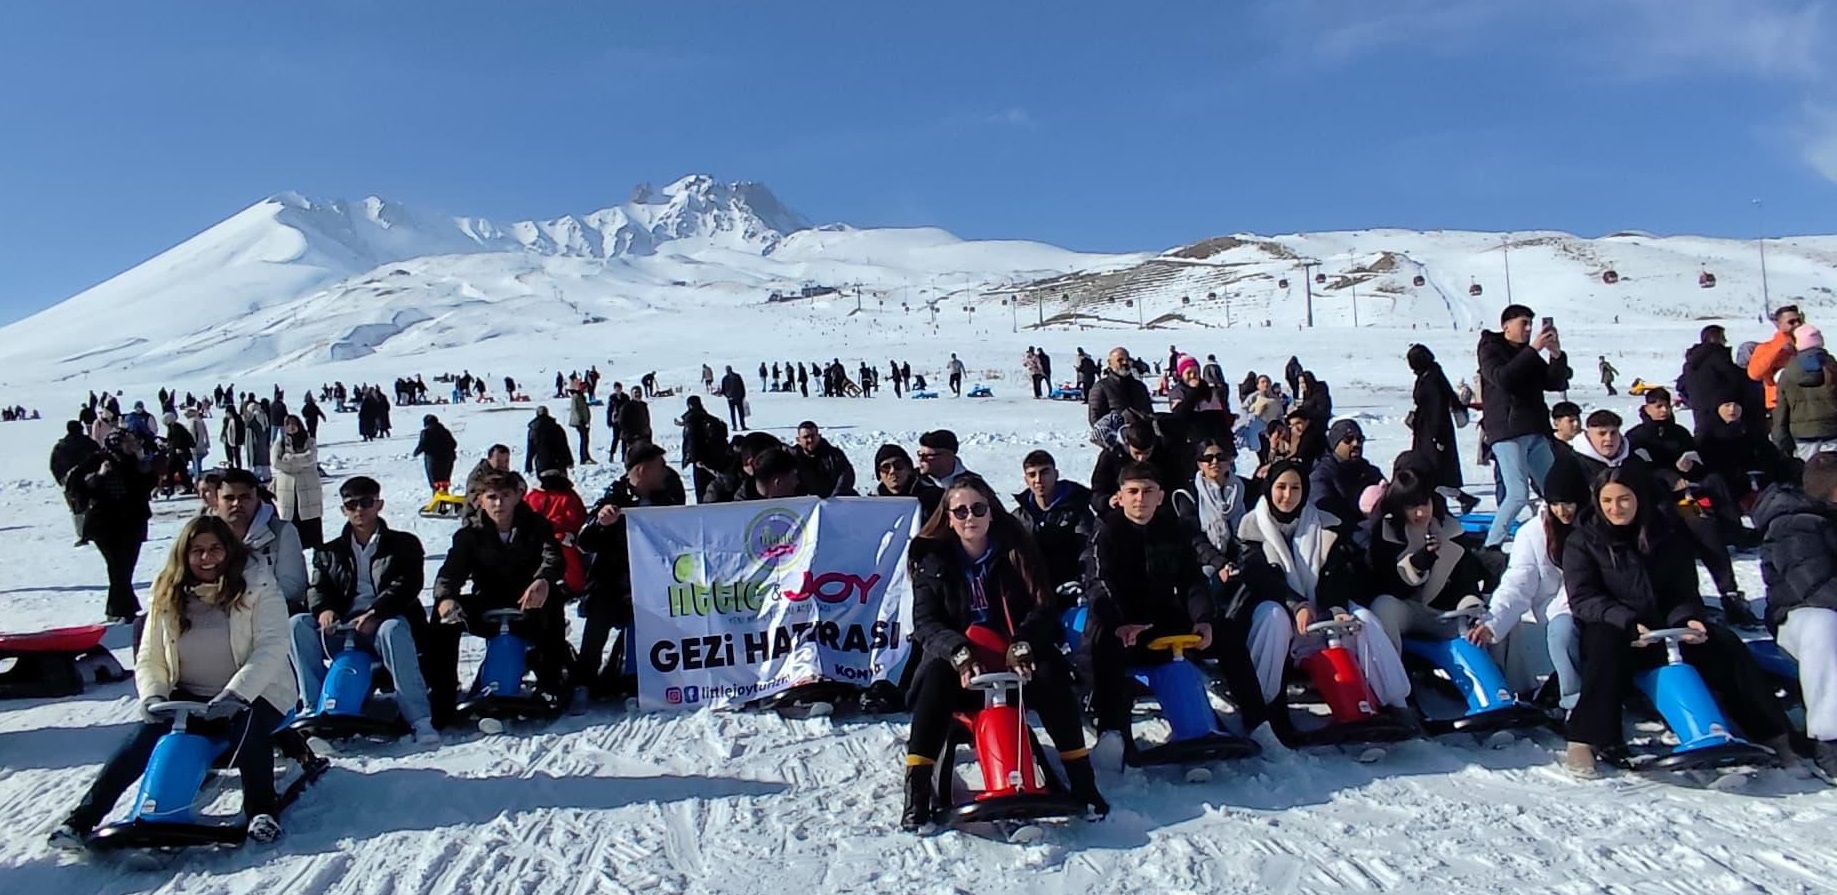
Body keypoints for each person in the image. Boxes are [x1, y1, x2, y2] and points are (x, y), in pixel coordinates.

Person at [48, 516, 295, 848]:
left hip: (256, 693)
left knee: (246, 723)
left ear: (229, 551)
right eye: (197, 551)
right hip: (187, 698)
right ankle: (81, 820)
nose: (206, 558)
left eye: (215, 549)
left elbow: (272, 646)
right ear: (185, 554)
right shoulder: (169, 591)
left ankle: (261, 811)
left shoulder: (258, 586)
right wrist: (153, 695)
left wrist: (237, 692)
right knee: (142, 737)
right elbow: (151, 654)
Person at [1561, 466, 1802, 778]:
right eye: (1607, 501)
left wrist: (1688, 617)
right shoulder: (1584, 540)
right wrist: (1628, 621)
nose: (1615, 508)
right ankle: (1587, 738)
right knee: (1603, 650)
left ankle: (1774, 734)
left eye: (1623, 499)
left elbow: (1683, 588)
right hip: (1618, 626)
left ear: (1639, 499)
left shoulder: (1666, 533)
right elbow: (1583, 597)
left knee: (1726, 645)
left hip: (1668, 626)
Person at [904, 476, 1106, 829]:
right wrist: (958, 652)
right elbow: (926, 622)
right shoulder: (933, 562)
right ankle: (917, 791)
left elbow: (1043, 608)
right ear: (948, 518)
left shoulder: (1017, 552)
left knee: (1052, 676)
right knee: (935, 680)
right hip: (960, 661)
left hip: (1015, 656)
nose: (971, 517)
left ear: (991, 512)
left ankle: (1083, 781)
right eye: (961, 511)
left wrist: (1024, 642)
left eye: (978, 508)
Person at [1084, 463, 1268, 764]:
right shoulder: (1106, 531)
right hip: (1119, 622)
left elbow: (1191, 580)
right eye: (1132, 492)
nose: (1140, 499)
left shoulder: (1172, 529)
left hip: (1161, 618)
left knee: (1228, 634)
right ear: (1121, 495)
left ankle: (1258, 721)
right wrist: (1120, 623)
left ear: (1160, 496)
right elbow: (1098, 582)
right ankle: (1112, 733)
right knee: (1104, 644)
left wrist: (1203, 620)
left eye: (1147, 492)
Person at [1235, 460, 1411, 727]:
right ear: (1269, 489)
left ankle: (1392, 701)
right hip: (1273, 605)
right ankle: (1264, 702)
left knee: (1364, 620)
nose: (1288, 495)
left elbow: (1335, 572)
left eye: (1295, 488)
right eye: (1281, 487)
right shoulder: (1251, 529)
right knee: (1274, 618)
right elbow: (1261, 577)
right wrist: (1297, 605)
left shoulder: (1324, 524)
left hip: (1320, 605)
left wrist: (1334, 608)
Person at [291, 477, 439, 743]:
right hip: (342, 627)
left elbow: (407, 585)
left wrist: (377, 613)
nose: (359, 510)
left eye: (366, 503)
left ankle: (419, 718)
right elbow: (318, 586)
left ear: (378, 504)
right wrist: (324, 609)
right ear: (343, 510)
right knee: (298, 625)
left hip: (383, 624)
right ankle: (315, 705)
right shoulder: (328, 551)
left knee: (393, 628)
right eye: (351, 505)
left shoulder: (403, 544)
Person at [427, 471, 570, 719]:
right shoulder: (470, 535)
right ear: (480, 499)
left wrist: (543, 579)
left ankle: (550, 683)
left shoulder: (537, 525)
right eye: (491, 497)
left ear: (517, 496)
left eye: (505, 496)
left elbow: (553, 558)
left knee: (553, 599)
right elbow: (451, 571)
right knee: (443, 619)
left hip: (530, 601)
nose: (498, 503)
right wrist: (446, 597)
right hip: (488, 602)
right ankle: (442, 691)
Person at [576, 442, 686, 701]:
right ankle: (584, 678)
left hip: (655, 581)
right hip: (613, 580)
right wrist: (601, 524)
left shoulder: (668, 493)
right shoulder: (614, 496)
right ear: (643, 470)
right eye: (660, 467)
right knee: (599, 612)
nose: (665, 472)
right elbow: (585, 540)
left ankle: (651, 670)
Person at [1754, 453, 1837, 778]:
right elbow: (1813, 586)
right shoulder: (1793, 524)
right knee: (1825, 626)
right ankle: (1828, 738)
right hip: (1799, 619)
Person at [1482, 455, 1584, 704]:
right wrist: (1493, 622)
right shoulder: (1532, 533)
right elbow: (1518, 582)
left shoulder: (1593, 527)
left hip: (1597, 603)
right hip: (1559, 609)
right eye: (1555, 503)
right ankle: (1574, 703)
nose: (1562, 511)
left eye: (1568, 503)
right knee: (1563, 633)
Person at [1364, 468, 1499, 654]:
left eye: (1424, 504)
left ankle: (1507, 679)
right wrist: (1418, 564)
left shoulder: (1451, 530)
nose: (1420, 513)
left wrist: (1471, 605)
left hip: (1447, 613)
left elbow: (1465, 578)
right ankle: (1394, 679)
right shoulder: (1386, 533)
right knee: (1383, 608)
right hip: (1407, 609)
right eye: (1412, 507)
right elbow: (1385, 583)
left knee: (1493, 619)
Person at [1477, 304, 1572, 550]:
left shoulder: (1526, 353)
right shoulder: (1491, 348)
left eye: (1531, 324)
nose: (1529, 329)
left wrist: (1556, 355)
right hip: (1507, 431)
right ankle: (1491, 545)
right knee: (1518, 493)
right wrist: (1533, 350)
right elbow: (1503, 378)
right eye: (1524, 324)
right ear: (1506, 327)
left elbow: (1554, 382)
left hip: (1535, 429)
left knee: (1556, 488)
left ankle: (1567, 537)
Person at [65, 430, 156, 622]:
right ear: (117, 443)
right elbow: (78, 486)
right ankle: (123, 611)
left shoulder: (134, 462)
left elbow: (150, 484)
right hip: (105, 524)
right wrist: (99, 475)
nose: (133, 445)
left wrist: (142, 462)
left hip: (132, 522)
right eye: (128, 442)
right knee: (118, 567)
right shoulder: (97, 460)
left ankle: (119, 610)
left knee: (126, 567)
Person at [215, 468, 309, 615]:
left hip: (270, 613)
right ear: (216, 501)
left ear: (257, 498)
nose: (236, 503)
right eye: (229, 498)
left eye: (244, 497)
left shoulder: (282, 531)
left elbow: (293, 587)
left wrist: (247, 605)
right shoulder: (204, 534)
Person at [1171, 438, 1250, 612]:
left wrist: (1240, 561)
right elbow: (1194, 537)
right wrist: (1220, 563)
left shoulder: (1244, 488)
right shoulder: (1189, 493)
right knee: (1208, 584)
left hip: (1240, 558)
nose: (1215, 462)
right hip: (1204, 561)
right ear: (1200, 464)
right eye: (1208, 459)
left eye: (1220, 457)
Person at [1010, 450, 1096, 594]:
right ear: (1026, 480)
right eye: (1032, 475)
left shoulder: (1077, 510)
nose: (1038, 480)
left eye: (1044, 473)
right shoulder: (1019, 517)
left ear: (1055, 474)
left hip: (1072, 588)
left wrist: (1083, 582)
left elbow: (1088, 549)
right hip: (1033, 592)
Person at [1406, 344, 1469, 506]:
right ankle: (1453, 503)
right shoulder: (1431, 374)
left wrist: (1437, 437)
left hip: (1432, 435)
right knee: (1432, 474)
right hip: (1429, 433)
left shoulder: (1430, 380)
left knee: (1431, 474)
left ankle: (1455, 503)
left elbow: (1436, 410)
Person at [1091, 420, 1188, 514]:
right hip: (1121, 512)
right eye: (1136, 453)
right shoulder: (1111, 456)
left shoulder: (1164, 454)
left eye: (1147, 453)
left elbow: (1179, 486)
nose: (1141, 458)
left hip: (1159, 512)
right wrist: (1107, 501)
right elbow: (1098, 490)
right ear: (1127, 444)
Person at [1774, 323, 1837, 460]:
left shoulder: (1787, 374)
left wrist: (1780, 438)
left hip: (1803, 434)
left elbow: (1781, 409)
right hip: (1833, 431)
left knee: (1810, 474)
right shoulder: (1833, 367)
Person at [1748, 304, 1805, 453]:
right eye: (1791, 322)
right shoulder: (1767, 348)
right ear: (1779, 325)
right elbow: (1755, 373)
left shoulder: (1806, 345)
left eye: (1799, 320)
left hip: (1805, 404)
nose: (1797, 325)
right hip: (1778, 406)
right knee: (1784, 447)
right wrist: (1778, 349)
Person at [523, 470, 589, 598]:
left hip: (557, 537)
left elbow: (577, 519)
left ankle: (573, 585)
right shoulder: (565, 496)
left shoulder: (535, 495)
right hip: (543, 536)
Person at [1309, 419, 1385, 526]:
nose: (1356, 444)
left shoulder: (1371, 472)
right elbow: (1324, 511)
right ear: (1334, 444)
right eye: (1348, 439)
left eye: (1359, 439)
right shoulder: (1321, 475)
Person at [1681, 325, 1753, 438]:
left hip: (1700, 410)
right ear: (1716, 338)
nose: (1725, 341)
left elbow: (1681, 385)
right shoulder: (1718, 356)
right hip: (1721, 411)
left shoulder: (1691, 362)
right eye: (1723, 337)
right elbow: (1735, 377)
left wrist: (1692, 401)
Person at [271, 415, 323, 549]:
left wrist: (289, 459)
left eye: (294, 424)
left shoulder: (309, 441)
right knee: (291, 523)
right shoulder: (280, 443)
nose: (291, 427)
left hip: (308, 488)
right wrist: (298, 463)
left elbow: (310, 458)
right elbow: (276, 462)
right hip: (288, 489)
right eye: (288, 425)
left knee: (311, 523)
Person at [52, 419, 103, 544]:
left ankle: (82, 535)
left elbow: (54, 465)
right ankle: (97, 531)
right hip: (91, 478)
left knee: (77, 509)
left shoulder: (61, 446)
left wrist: (61, 480)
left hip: (70, 481)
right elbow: (100, 457)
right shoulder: (90, 443)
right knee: (95, 505)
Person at [871, 444, 944, 520]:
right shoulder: (872, 505)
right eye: (886, 468)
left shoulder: (935, 498)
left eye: (898, 465)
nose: (892, 471)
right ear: (879, 475)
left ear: (909, 469)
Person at [1086, 347, 1154, 428]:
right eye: (1120, 360)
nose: (1125, 363)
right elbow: (1096, 421)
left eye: (1127, 359)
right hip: (1116, 438)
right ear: (1110, 363)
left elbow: (1149, 414)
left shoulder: (1140, 387)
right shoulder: (1101, 387)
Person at [792, 421, 857, 497]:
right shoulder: (791, 458)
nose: (810, 440)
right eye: (806, 437)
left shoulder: (834, 455)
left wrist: (834, 499)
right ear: (798, 440)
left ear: (819, 436)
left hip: (835, 500)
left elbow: (846, 478)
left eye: (813, 436)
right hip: (803, 503)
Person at [413, 414, 459, 491]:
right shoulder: (445, 431)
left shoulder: (426, 432)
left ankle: (437, 499)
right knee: (444, 482)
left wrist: (416, 453)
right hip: (447, 459)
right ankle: (445, 498)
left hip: (434, 461)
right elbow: (454, 443)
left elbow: (422, 445)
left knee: (435, 483)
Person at [525, 406, 574, 476]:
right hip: (558, 462)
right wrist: (569, 461)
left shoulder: (533, 431)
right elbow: (564, 446)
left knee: (545, 485)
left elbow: (530, 449)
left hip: (542, 463)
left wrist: (528, 466)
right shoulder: (557, 428)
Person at [616, 389, 652, 461]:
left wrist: (648, 431)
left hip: (644, 436)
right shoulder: (627, 406)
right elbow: (621, 421)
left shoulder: (643, 405)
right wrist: (631, 433)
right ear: (632, 395)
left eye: (639, 392)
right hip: (632, 437)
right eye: (635, 393)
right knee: (633, 458)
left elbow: (647, 420)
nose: (638, 394)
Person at [568, 386, 596, 465]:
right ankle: (583, 458)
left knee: (585, 439)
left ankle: (586, 456)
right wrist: (580, 420)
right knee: (584, 439)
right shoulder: (576, 396)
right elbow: (575, 409)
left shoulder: (581, 396)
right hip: (579, 422)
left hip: (584, 421)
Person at [719, 365, 748, 430]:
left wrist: (725, 395)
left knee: (732, 413)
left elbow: (723, 390)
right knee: (740, 412)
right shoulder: (737, 376)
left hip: (730, 398)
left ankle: (734, 426)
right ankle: (743, 426)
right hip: (739, 397)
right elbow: (742, 386)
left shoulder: (725, 378)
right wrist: (743, 395)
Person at [220, 404, 247, 470]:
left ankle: (239, 470)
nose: (227, 414)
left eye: (228, 413)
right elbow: (224, 428)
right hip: (227, 441)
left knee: (237, 457)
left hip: (236, 441)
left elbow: (242, 431)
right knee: (229, 457)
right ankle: (231, 469)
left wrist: (241, 441)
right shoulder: (226, 419)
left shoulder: (238, 419)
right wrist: (222, 436)